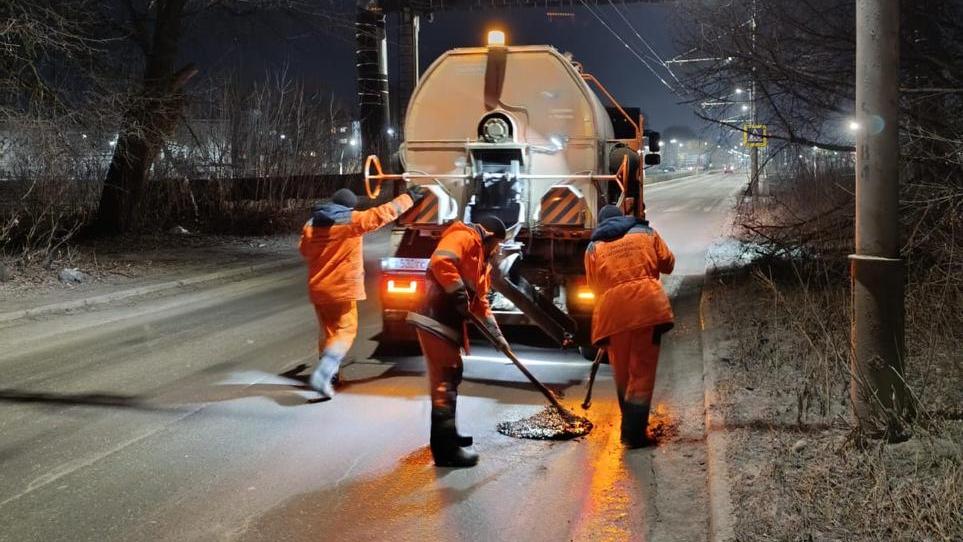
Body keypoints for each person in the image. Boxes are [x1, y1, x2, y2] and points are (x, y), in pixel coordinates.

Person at [299, 186, 426, 399]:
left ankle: (330, 377)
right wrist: (410, 197)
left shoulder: (311, 224)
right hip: (342, 288)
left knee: (329, 333)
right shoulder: (353, 220)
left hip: (319, 288)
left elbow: (304, 250)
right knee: (345, 331)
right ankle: (324, 373)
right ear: (349, 205)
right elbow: (384, 213)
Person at [406, 215, 509, 468]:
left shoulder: (482, 263)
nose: (497, 251)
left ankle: (447, 435)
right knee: (445, 381)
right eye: (497, 246)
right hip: (434, 318)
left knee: (451, 376)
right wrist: (458, 292)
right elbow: (441, 261)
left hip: (446, 324)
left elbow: (481, 306)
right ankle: (445, 452)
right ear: (490, 237)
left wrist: (498, 338)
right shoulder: (463, 236)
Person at [584, 204, 675, 448]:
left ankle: (630, 422)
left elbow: (594, 285)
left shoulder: (593, 246)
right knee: (642, 371)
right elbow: (668, 263)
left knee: (622, 371)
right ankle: (634, 434)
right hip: (647, 309)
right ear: (623, 218)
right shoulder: (646, 233)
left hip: (612, 316)